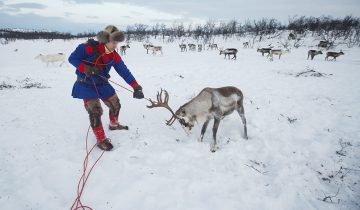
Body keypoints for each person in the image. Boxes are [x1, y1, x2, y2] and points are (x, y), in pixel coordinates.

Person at [68, 25, 144, 151]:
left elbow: (124, 71)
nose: (116, 46)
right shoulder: (86, 47)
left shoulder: (114, 55)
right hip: (86, 84)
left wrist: (135, 86)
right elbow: (72, 58)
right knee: (95, 112)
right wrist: (86, 68)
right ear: (105, 40)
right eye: (113, 42)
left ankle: (114, 124)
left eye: (117, 43)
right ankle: (101, 139)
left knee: (116, 104)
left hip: (102, 84)